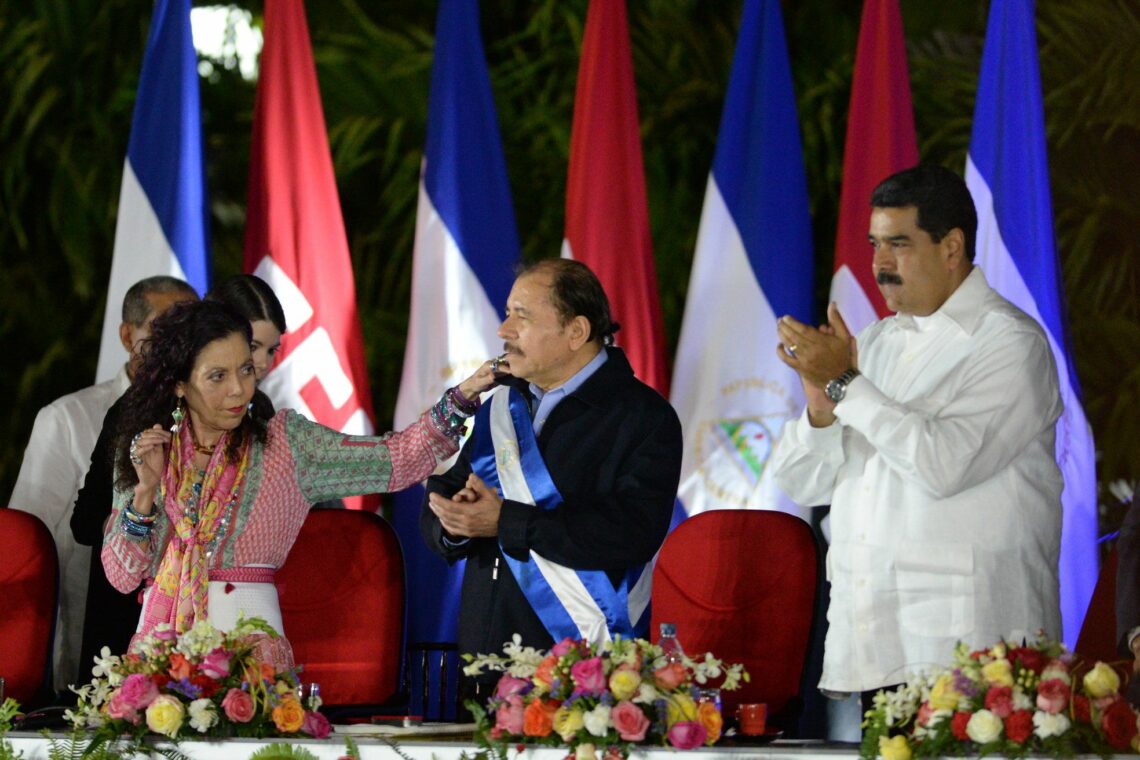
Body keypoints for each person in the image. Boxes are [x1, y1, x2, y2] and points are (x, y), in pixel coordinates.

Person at [771, 165, 1063, 702]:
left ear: (952, 247)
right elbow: (803, 484)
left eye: (898, 244)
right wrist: (820, 408)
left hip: (975, 651)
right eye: (875, 244)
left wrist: (845, 383)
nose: (880, 264)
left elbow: (943, 465)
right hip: (875, 639)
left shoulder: (1010, 344)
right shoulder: (877, 342)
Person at [100, 300, 498, 668]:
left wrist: (461, 399)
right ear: (179, 384)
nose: (238, 389)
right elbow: (121, 576)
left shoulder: (285, 444)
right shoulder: (149, 450)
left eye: (246, 369)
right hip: (160, 659)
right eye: (217, 376)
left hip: (251, 662)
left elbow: (397, 460)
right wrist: (145, 493)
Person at [420, 259, 683, 664]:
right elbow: (448, 492)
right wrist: (456, 522)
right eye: (508, 314)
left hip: (581, 672)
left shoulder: (644, 417)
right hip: (484, 661)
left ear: (576, 332)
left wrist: (506, 522)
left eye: (520, 316)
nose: (503, 330)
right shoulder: (502, 405)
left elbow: (631, 533)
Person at [72, 274, 283, 677]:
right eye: (251, 346)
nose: (259, 365)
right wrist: (150, 526)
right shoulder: (140, 410)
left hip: (228, 631)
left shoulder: (263, 415)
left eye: (270, 350)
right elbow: (85, 521)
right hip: (131, 620)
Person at [11, 275, 196, 691]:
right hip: (89, 629)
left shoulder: (211, 419)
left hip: (187, 639)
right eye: (165, 330)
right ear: (129, 335)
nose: (179, 344)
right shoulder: (70, 417)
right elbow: (28, 540)